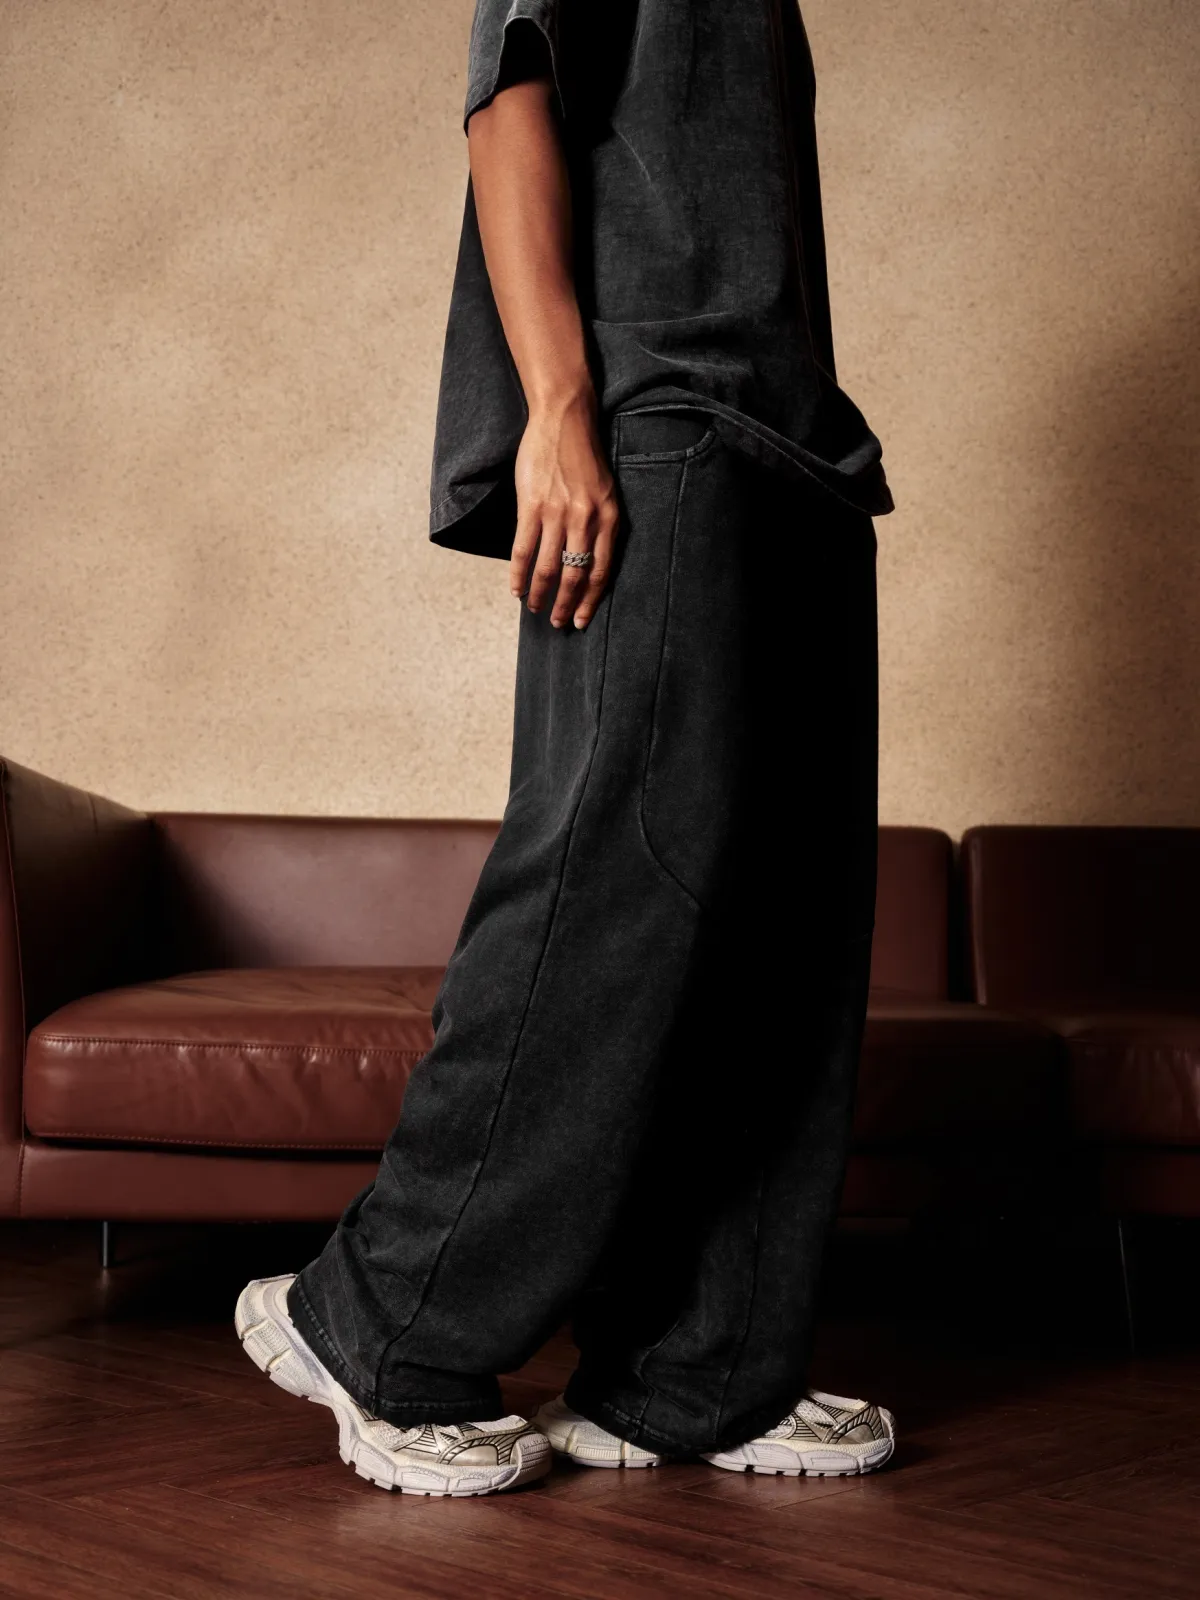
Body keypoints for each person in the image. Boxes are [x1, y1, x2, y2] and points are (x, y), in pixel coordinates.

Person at [236, 0, 897, 1497]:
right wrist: (558, 408)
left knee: (782, 928)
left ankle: (696, 1371)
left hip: (799, 453)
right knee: (617, 878)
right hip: (660, 424)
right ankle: (380, 1319)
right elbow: (509, 102)